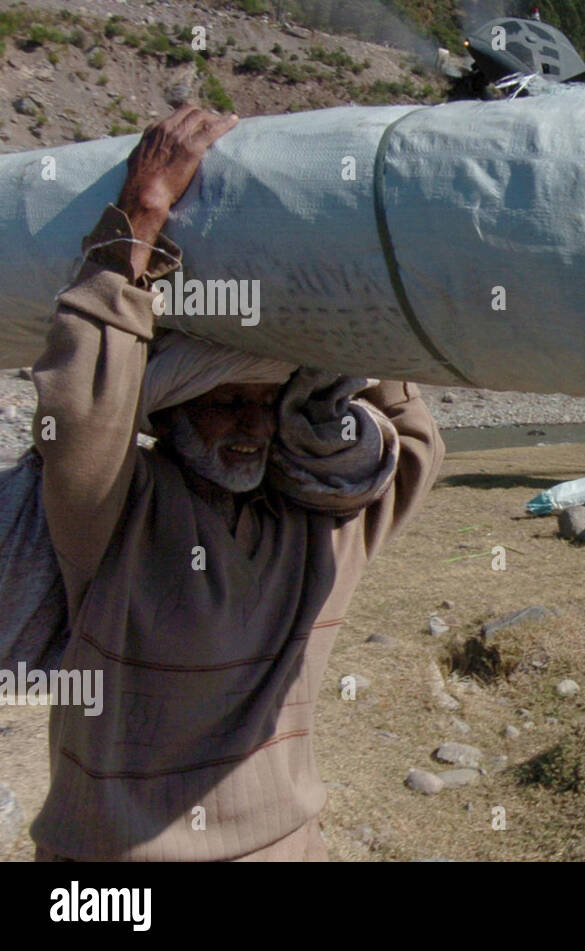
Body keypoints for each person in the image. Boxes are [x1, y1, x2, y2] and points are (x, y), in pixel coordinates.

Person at [27, 106, 443, 861]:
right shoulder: (119, 519)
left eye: (264, 401)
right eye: (223, 403)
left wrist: (363, 317)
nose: (252, 424)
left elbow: (412, 448)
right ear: (167, 411)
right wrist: (141, 217)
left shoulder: (317, 524)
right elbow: (82, 420)